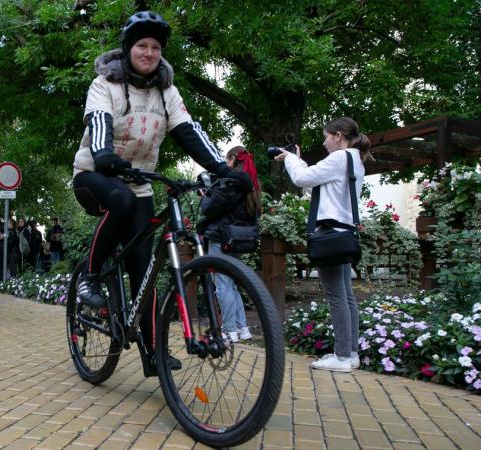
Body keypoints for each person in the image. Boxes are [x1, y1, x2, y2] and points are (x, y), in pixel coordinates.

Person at [72, 11, 232, 374]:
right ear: (128, 49)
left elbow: (189, 131)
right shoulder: (105, 85)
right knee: (121, 200)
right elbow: (99, 123)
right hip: (94, 174)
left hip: (138, 180)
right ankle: (91, 276)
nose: (149, 52)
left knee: (143, 268)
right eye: (141, 45)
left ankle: (153, 353)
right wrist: (105, 156)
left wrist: (223, 170)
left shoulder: (166, 91)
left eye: (155, 47)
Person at [275, 116, 371, 372]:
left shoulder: (340, 158)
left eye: (326, 137)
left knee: (336, 295)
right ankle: (350, 354)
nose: (325, 143)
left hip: (330, 232)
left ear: (338, 135)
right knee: (346, 295)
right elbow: (318, 184)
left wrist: (291, 160)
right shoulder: (355, 160)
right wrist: (299, 162)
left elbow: (302, 179)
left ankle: (341, 357)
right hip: (344, 232)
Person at [198, 146, 260, 342]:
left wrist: (204, 195)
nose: (225, 165)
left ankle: (229, 330)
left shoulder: (231, 183)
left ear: (233, 159)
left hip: (221, 238)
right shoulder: (251, 185)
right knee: (231, 284)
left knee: (223, 285)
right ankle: (242, 328)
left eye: (227, 161)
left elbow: (210, 209)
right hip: (239, 239)